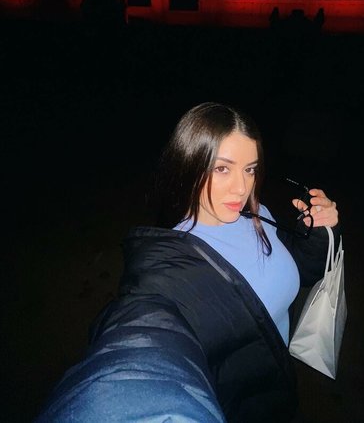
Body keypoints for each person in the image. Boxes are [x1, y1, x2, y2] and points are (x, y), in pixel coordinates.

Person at [35, 102, 339, 423]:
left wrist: (318, 233)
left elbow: (299, 272)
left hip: (280, 387)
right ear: (189, 165)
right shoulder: (168, 270)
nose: (242, 187)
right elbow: (143, 341)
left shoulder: (258, 215)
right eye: (222, 169)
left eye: (249, 169)